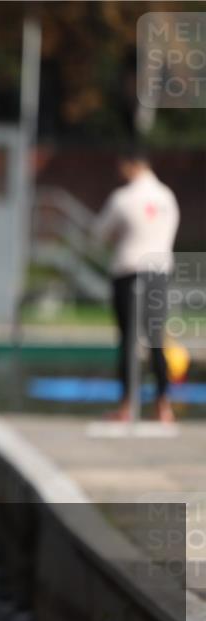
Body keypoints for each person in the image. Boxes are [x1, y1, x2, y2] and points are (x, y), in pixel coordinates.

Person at [93, 151, 180, 422]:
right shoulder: (167, 197)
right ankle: (163, 406)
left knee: (128, 340)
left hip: (128, 272)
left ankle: (127, 405)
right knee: (156, 340)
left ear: (130, 166)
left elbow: (99, 233)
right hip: (157, 273)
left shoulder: (123, 198)